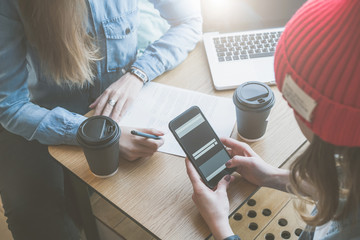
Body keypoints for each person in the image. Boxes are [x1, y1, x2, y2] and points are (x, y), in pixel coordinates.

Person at [0, 0, 201, 239]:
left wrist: (137, 74)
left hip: (126, 111)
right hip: (41, 115)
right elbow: (10, 106)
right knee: (32, 219)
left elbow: (189, 21)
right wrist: (100, 137)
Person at [186, 0, 360, 239]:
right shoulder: (351, 158)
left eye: (294, 106)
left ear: (330, 129)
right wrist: (271, 176)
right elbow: (343, 191)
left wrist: (220, 227)